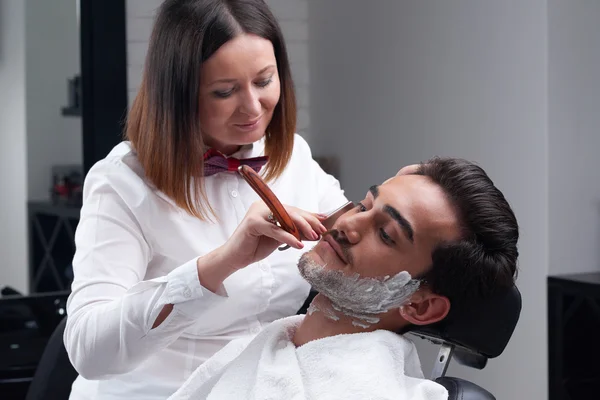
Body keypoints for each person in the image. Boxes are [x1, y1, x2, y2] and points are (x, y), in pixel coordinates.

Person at [63, 1, 348, 399]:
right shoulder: (121, 184)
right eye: (224, 91)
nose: (253, 108)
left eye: (264, 81)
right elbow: (88, 351)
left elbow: (353, 242)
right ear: (177, 95)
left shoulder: (294, 156)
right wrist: (221, 262)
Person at [167, 157, 520, 400]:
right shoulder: (268, 345)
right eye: (364, 206)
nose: (348, 224)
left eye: (386, 234)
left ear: (421, 305)